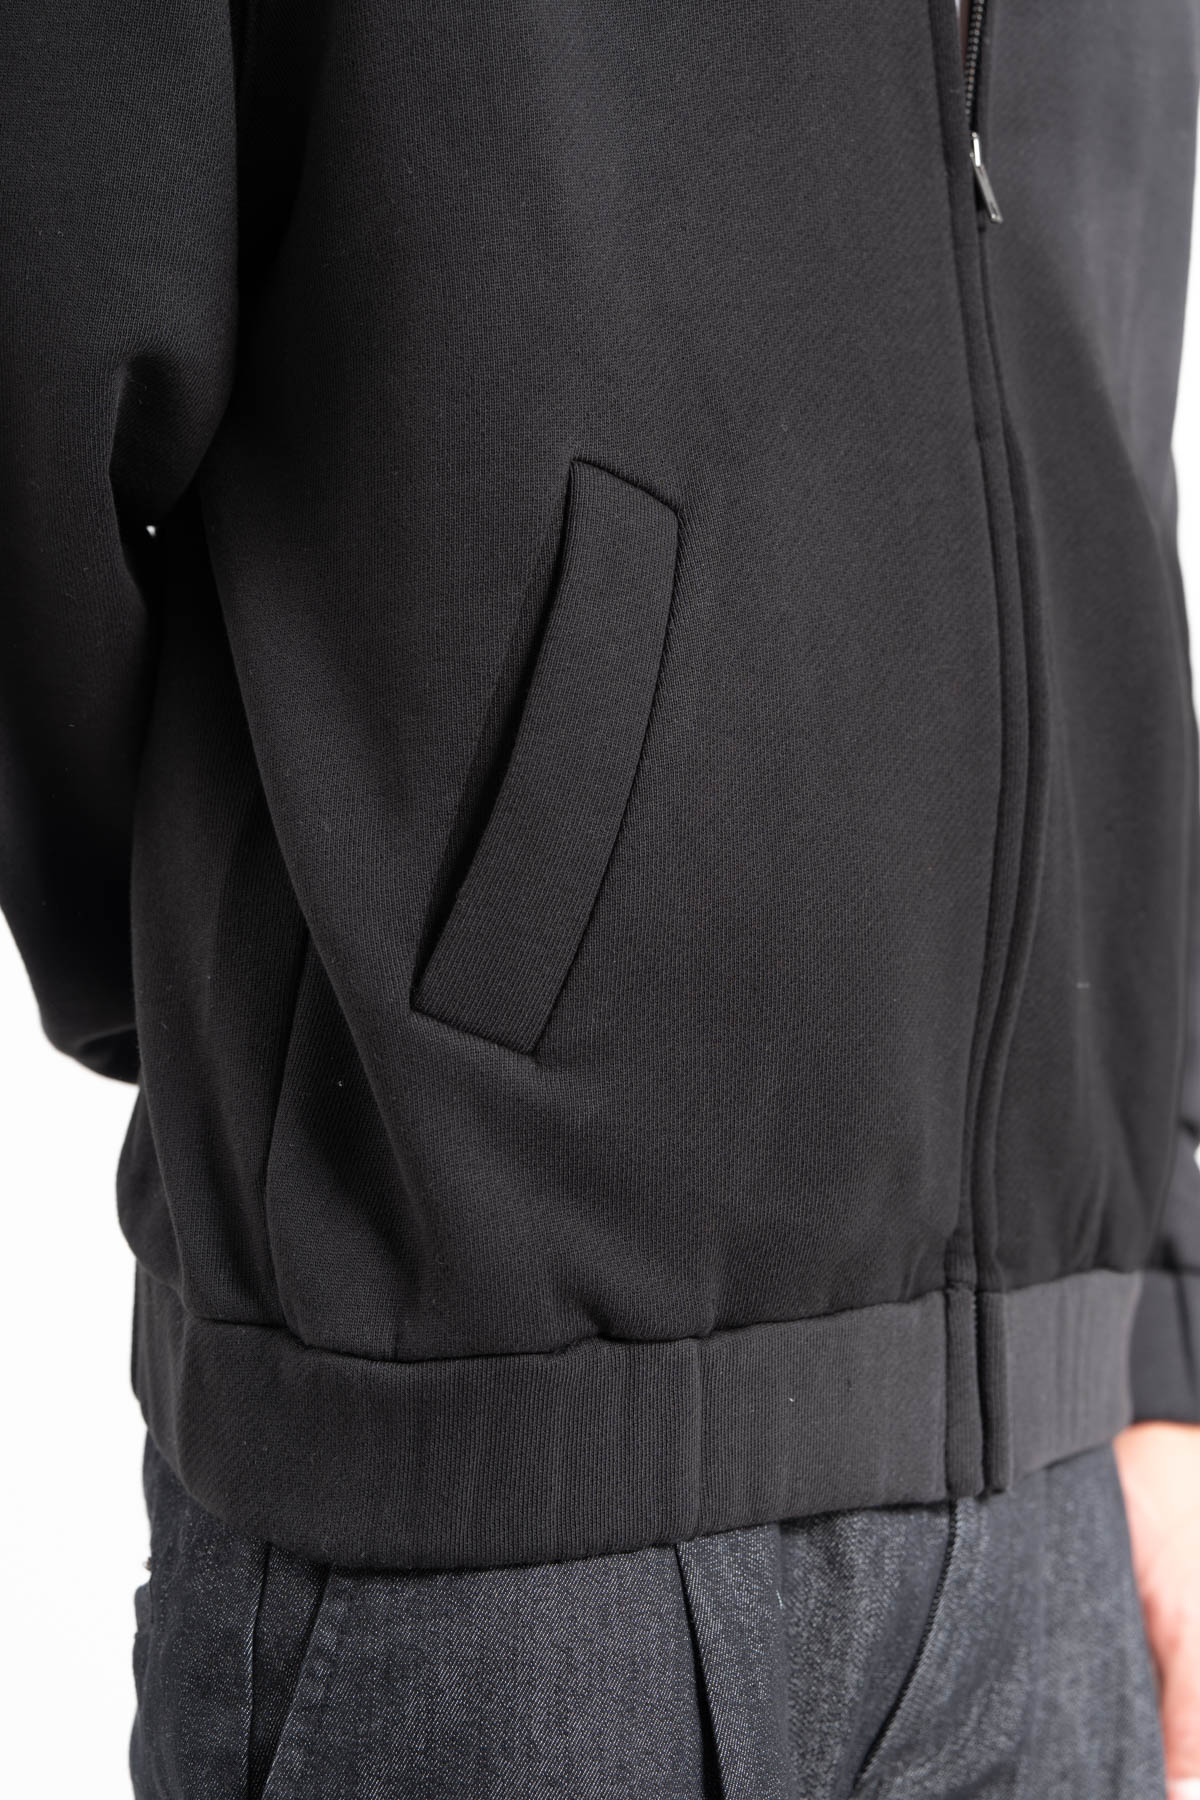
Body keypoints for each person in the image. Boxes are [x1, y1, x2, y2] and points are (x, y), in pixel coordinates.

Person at [2, 0, 1198, 1793]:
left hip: (1060, 1497)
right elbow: (41, 346)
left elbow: (1099, 430)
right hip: (493, 1536)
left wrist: (1154, 1314)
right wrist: (267, 990)